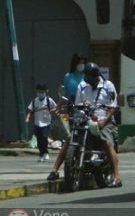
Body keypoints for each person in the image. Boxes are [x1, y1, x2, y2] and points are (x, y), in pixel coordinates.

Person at [74, 62, 122, 188]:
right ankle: (55, 170)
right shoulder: (82, 86)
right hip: (87, 118)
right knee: (70, 139)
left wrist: (103, 121)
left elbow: (113, 106)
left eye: (89, 77)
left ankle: (117, 177)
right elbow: (78, 105)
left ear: (95, 77)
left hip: (105, 120)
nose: (87, 79)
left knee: (107, 143)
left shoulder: (108, 85)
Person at [47, 53, 86, 181]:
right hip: (72, 109)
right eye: (79, 62)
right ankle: (55, 169)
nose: (81, 65)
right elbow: (65, 95)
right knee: (70, 138)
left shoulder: (87, 76)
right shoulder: (68, 77)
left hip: (87, 108)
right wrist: (57, 108)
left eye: (83, 62)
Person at [25, 83, 57, 162]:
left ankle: (45, 152)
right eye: (39, 92)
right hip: (37, 123)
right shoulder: (34, 101)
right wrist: (27, 118)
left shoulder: (49, 100)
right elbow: (30, 111)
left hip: (46, 123)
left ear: (46, 91)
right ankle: (41, 153)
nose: (40, 93)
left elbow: (55, 108)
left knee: (44, 137)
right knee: (39, 139)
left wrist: (54, 111)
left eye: (42, 92)